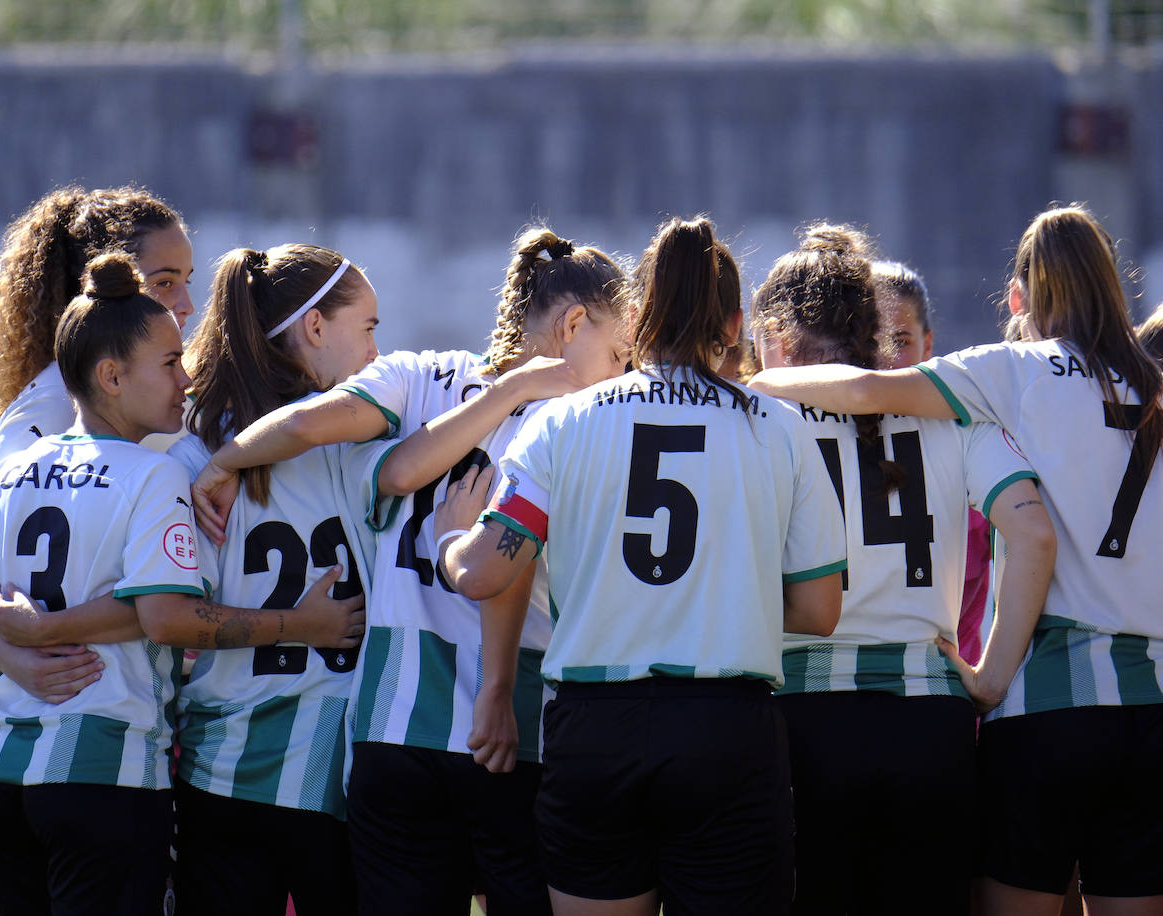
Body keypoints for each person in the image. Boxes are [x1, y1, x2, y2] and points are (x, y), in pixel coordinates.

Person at [191, 226, 632, 915]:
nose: (622, 371)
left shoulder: (418, 373)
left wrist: (225, 460)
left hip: (388, 730)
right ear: (574, 323)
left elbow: (338, 439)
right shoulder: (578, 421)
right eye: (617, 351)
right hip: (508, 726)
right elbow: (506, 564)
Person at [0, 254, 363, 915]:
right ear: (111, 376)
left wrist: (15, 648)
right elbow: (167, 618)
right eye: (170, 364)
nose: (186, 380)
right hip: (104, 769)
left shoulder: (15, 469)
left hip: (2, 775)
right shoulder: (153, 477)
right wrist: (302, 625)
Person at [750, 205, 1163, 914]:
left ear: (1018, 299)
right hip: (1143, 702)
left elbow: (863, 393)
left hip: (1039, 701)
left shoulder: (1011, 372)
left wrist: (758, 385)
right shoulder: (1152, 388)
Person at [436, 215, 846, 915]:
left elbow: (484, 573)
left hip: (597, 730)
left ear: (637, 314)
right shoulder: (781, 430)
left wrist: (451, 539)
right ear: (737, 322)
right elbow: (818, 611)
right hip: (727, 731)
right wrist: (717, 592)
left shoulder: (562, 422)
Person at [0, 185, 196, 916]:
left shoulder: (104, 408)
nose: (185, 303)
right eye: (164, 283)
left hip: (19, 720)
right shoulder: (55, 408)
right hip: (6, 704)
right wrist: (19, 645)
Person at [161, 244, 381, 914]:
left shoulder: (188, 447)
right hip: (331, 764)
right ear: (315, 328)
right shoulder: (365, 436)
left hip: (216, 762)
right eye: (368, 327)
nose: (377, 352)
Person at [872, 259, 997, 666]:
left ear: (929, 345)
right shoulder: (819, 440)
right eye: (873, 340)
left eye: (901, 340)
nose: (887, 359)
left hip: (951, 693)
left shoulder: (971, 443)